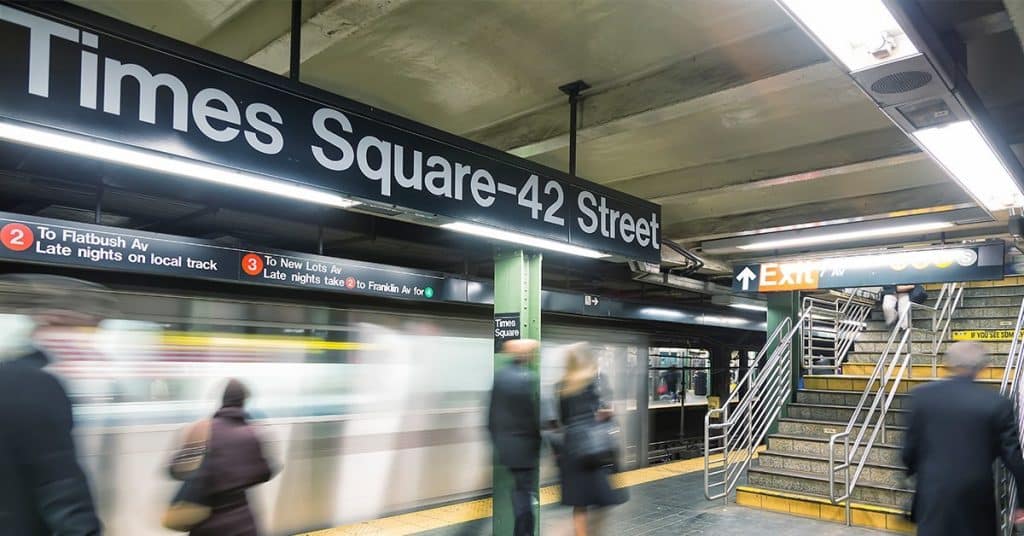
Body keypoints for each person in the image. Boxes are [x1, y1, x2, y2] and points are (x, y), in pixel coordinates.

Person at [0, 274, 112, 536]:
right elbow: (62, 491)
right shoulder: (35, 384)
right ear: (57, 319)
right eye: (89, 328)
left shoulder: (11, 374)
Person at [902, 341, 1024, 535]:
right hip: (976, 497)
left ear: (948, 363)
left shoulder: (921, 396)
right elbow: (1014, 458)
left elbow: (908, 451)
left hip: (933, 495)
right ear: (982, 367)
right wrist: (1021, 502)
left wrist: (914, 474)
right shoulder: (997, 403)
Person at [176, 379, 273, 536]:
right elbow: (265, 472)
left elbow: (175, 470)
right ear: (243, 401)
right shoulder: (253, 432)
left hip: (208, 524)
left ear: (223, 400)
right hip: (243, 524)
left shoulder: (202, 430)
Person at [558, 344, 627, 536]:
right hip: (592, 452)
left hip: (573, 450)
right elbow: (600, 413)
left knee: (579, 503)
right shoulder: (593, 383)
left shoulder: (562, 385)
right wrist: (605, 415)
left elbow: (563, 419)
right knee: (603, 500)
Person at [487, 339, 541, 536]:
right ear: (525, 355)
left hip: (506, 447)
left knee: (520, 492)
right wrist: (537, 444)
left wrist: (498, 442)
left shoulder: (500, 377)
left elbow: (491, 416)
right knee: (524, 495)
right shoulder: (526, 378)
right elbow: (530, 418)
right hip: (524, 448)